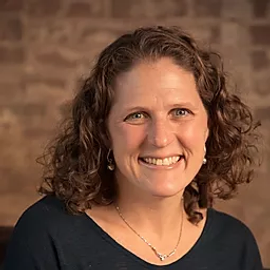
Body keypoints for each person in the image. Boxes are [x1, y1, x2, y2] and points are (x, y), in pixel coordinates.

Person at [4, 26, 263, 270]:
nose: (160, 138)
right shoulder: (47, 236)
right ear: (103, 131)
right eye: (137, 115)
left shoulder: (236, 246)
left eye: (180, 112)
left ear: (209, 126)